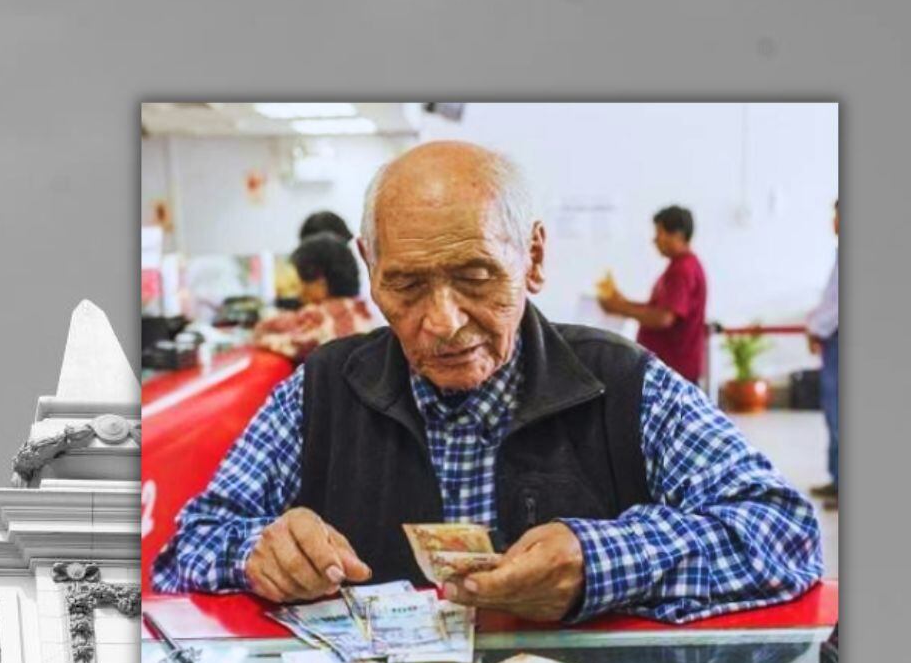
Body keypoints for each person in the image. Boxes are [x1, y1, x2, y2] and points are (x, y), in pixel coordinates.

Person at [151, 141, 822, 623]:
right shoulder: (320, 390)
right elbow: (184, 551)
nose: (441, 323)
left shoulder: (621, 383)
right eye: (406, 285)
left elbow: (784, 530)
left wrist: (604, 559)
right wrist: (256, 553)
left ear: (532, 258)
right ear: (370, 265)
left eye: (475, 278)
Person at [598, 206, 709, 385]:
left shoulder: (682, 270)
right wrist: (622, 302)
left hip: (674, 370)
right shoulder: (680, 267)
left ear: (678, 235)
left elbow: (664, 318)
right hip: (670, 368)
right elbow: (658, 309)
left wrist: (620, 308)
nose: (655, 240)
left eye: (660, 233)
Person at [252, 232, 375, 361]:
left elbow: (268, 337)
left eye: (302, 281)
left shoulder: (318, 317)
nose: (300, 291)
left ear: (320, 281)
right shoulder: (361, 311)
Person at [807, 199, 840, 508]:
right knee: (833, 412)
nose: (834, 221)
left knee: (839, 411)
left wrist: (816, 327)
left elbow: (837, 305)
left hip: (837, 338)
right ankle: (837, 480)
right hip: (833, 339)